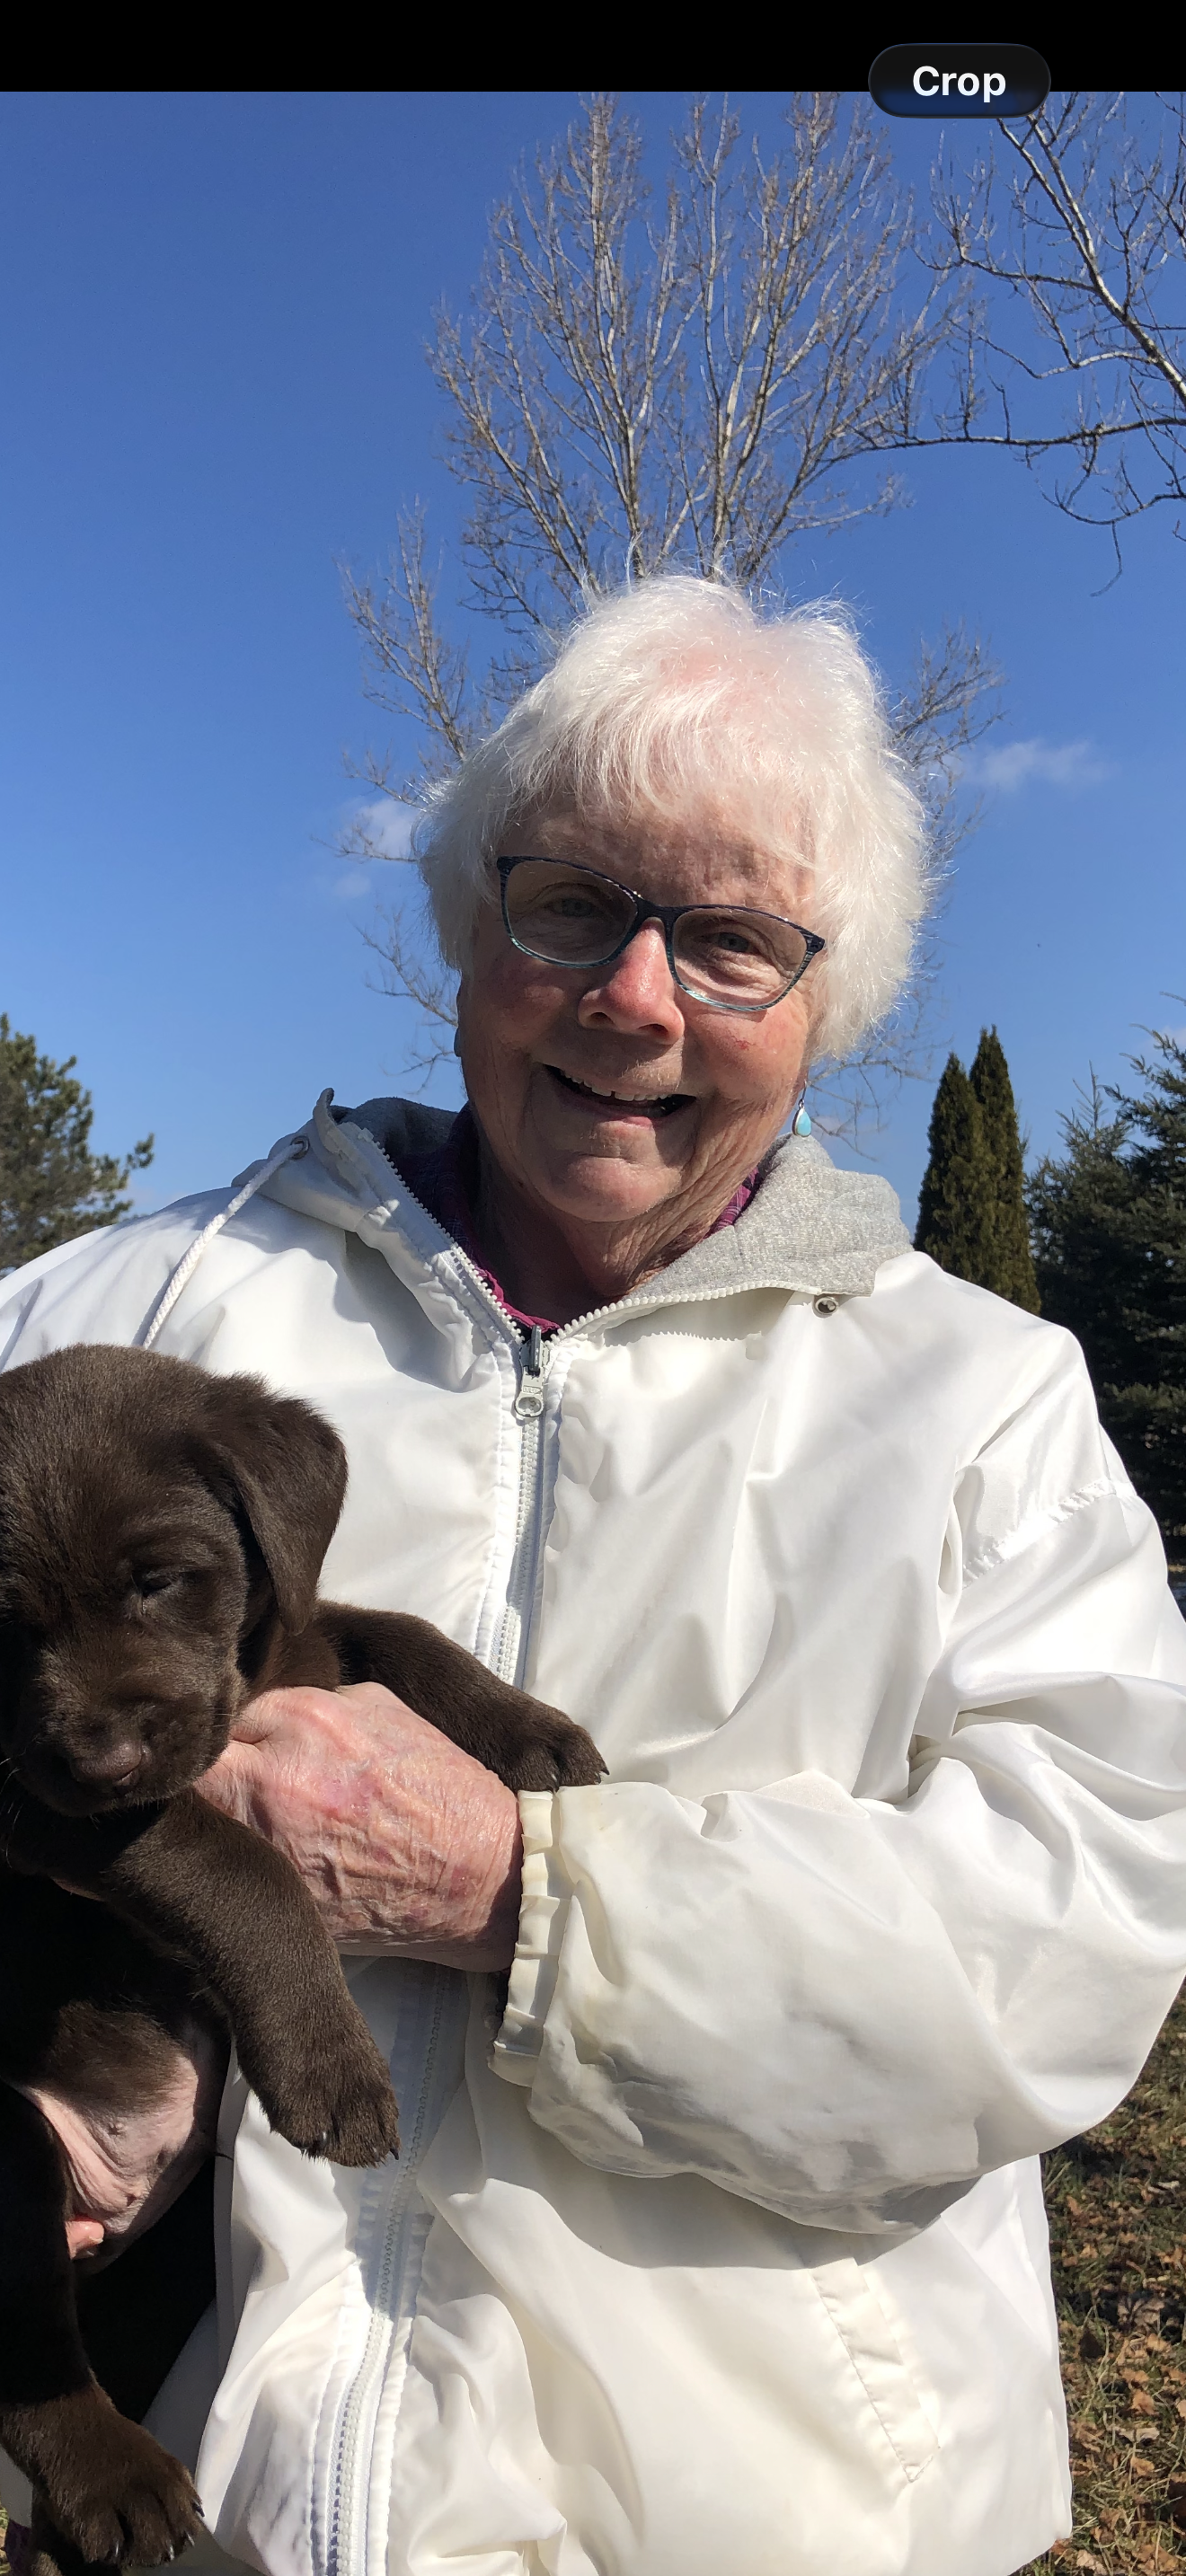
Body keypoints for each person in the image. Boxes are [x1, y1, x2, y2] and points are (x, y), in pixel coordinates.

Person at [2, 575, 1185, 2576]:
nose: (637, 996)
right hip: (198, 2500)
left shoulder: (982, 1406)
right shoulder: (126, 1309)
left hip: (772, 2517)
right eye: (570, 905)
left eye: (731, 942)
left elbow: (1064, 1957)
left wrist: (535, 1895)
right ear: (472, 926)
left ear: (831, 1004)